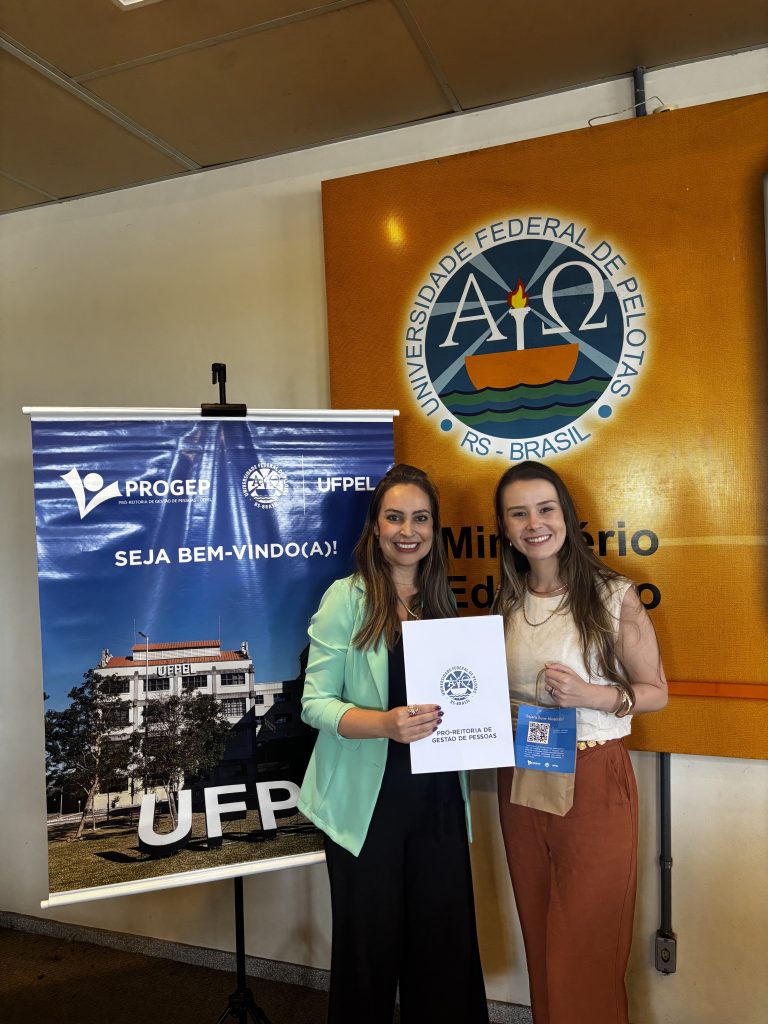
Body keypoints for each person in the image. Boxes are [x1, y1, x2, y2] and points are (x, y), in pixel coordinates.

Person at [298, 463, 488, 1024]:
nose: (409, 531)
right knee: (369, 956)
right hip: (368, 805)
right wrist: (385, 724)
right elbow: (315, 704)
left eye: (421, 518)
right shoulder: (346, 598)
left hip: (438, 800)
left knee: (444, 952)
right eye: (395, 517)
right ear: (375, 527)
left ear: (434, 527)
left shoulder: (441, 599)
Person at [493, 461, 667, 1024]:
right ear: (505, 528)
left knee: (586, 944)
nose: (534, 524)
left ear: (566, 515)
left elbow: (656, 692)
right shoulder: (508, 601)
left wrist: (592, 695)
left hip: (593, 776)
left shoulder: (613, 594)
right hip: (523, 772)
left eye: (545, 509)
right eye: (519, 514)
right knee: (540, 933)